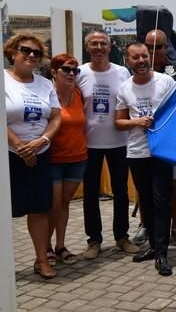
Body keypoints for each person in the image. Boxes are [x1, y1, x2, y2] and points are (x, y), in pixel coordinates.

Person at [115, 42, 176, 276]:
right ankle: (152, 245)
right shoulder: (124, 88)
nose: (141, 61)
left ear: (149, 58)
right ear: (127, 61)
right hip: (137, 152)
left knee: (162, 202)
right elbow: (118, 122)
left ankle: (162, 253)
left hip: (161, 151)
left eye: (144, 56)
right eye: (135, 57)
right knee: (147, 203)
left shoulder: (165, 81)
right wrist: (135, 122)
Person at [77, 30, 139, 258]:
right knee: (90, 193)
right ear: (87, 47)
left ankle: (122, 237)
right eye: (94, 43)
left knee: (121, 191)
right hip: (89, 143)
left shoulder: (122, 72)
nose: (99, 47)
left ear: (110, 47)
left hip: (119, 142)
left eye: (103, 43)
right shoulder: (80, 73)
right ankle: (94, 241)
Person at [4, 34, 61, 279]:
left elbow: (56, 117)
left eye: (36, 53)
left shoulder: (45, 84)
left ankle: (41, 260)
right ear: (12, 53)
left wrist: (41, 141)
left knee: (39, 210)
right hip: (8, 155)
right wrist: (19, 145)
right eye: (25, 50)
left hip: (40, 153)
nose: (30, 56)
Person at [131, 29, 176, 246]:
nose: (153, 52)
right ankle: (145, 225)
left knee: (172, 185)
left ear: (167, 47)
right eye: (149, 46)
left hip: (168, 141)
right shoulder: (136, 70)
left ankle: (175, 225)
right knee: (143, 189)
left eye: (159, 46)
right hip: (142, 141)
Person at [48, 54, 88, 265]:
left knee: (63, 203)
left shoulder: (79, 94)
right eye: (66, 69)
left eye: (75, 70)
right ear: (54, 72)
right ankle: (44, 247)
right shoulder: (46, 95)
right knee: (52, 203)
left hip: (78, 157)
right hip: (53, 158)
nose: (72, 74)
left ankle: (60, 245)